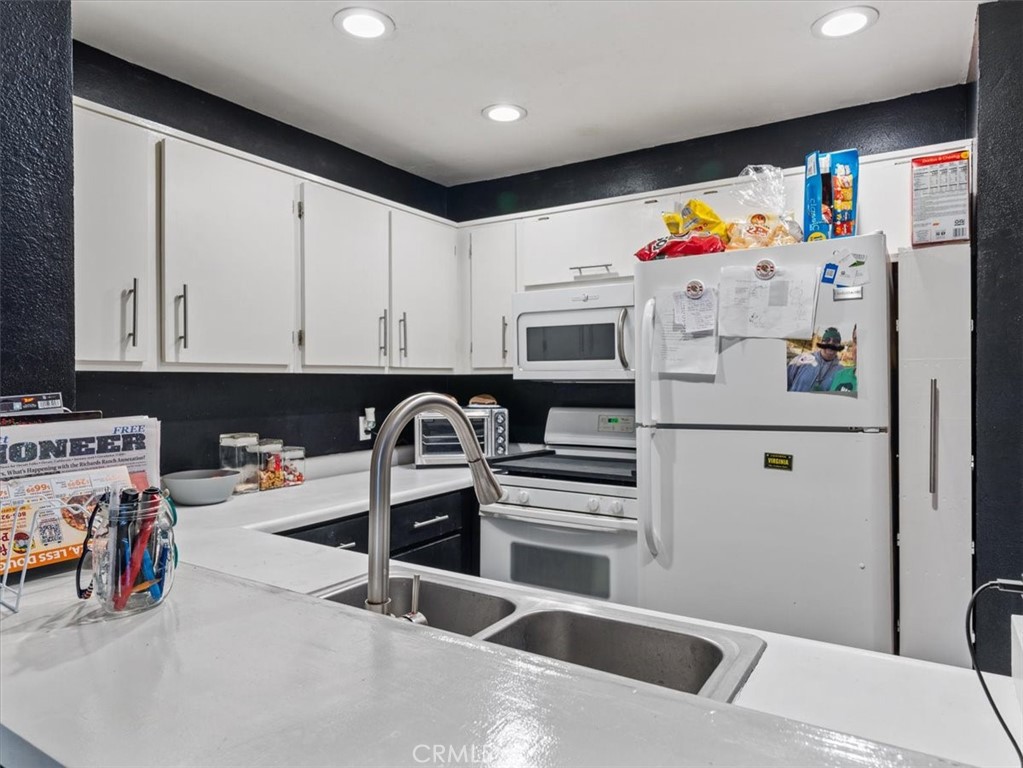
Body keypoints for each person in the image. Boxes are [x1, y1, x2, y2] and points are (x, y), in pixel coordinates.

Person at [787, 327, 844, 392]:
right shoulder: (802, 359)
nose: (831, 343)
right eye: (827, 340)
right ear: (822, 342)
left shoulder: (841, 372)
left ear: (839, 345)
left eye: (836, 341)